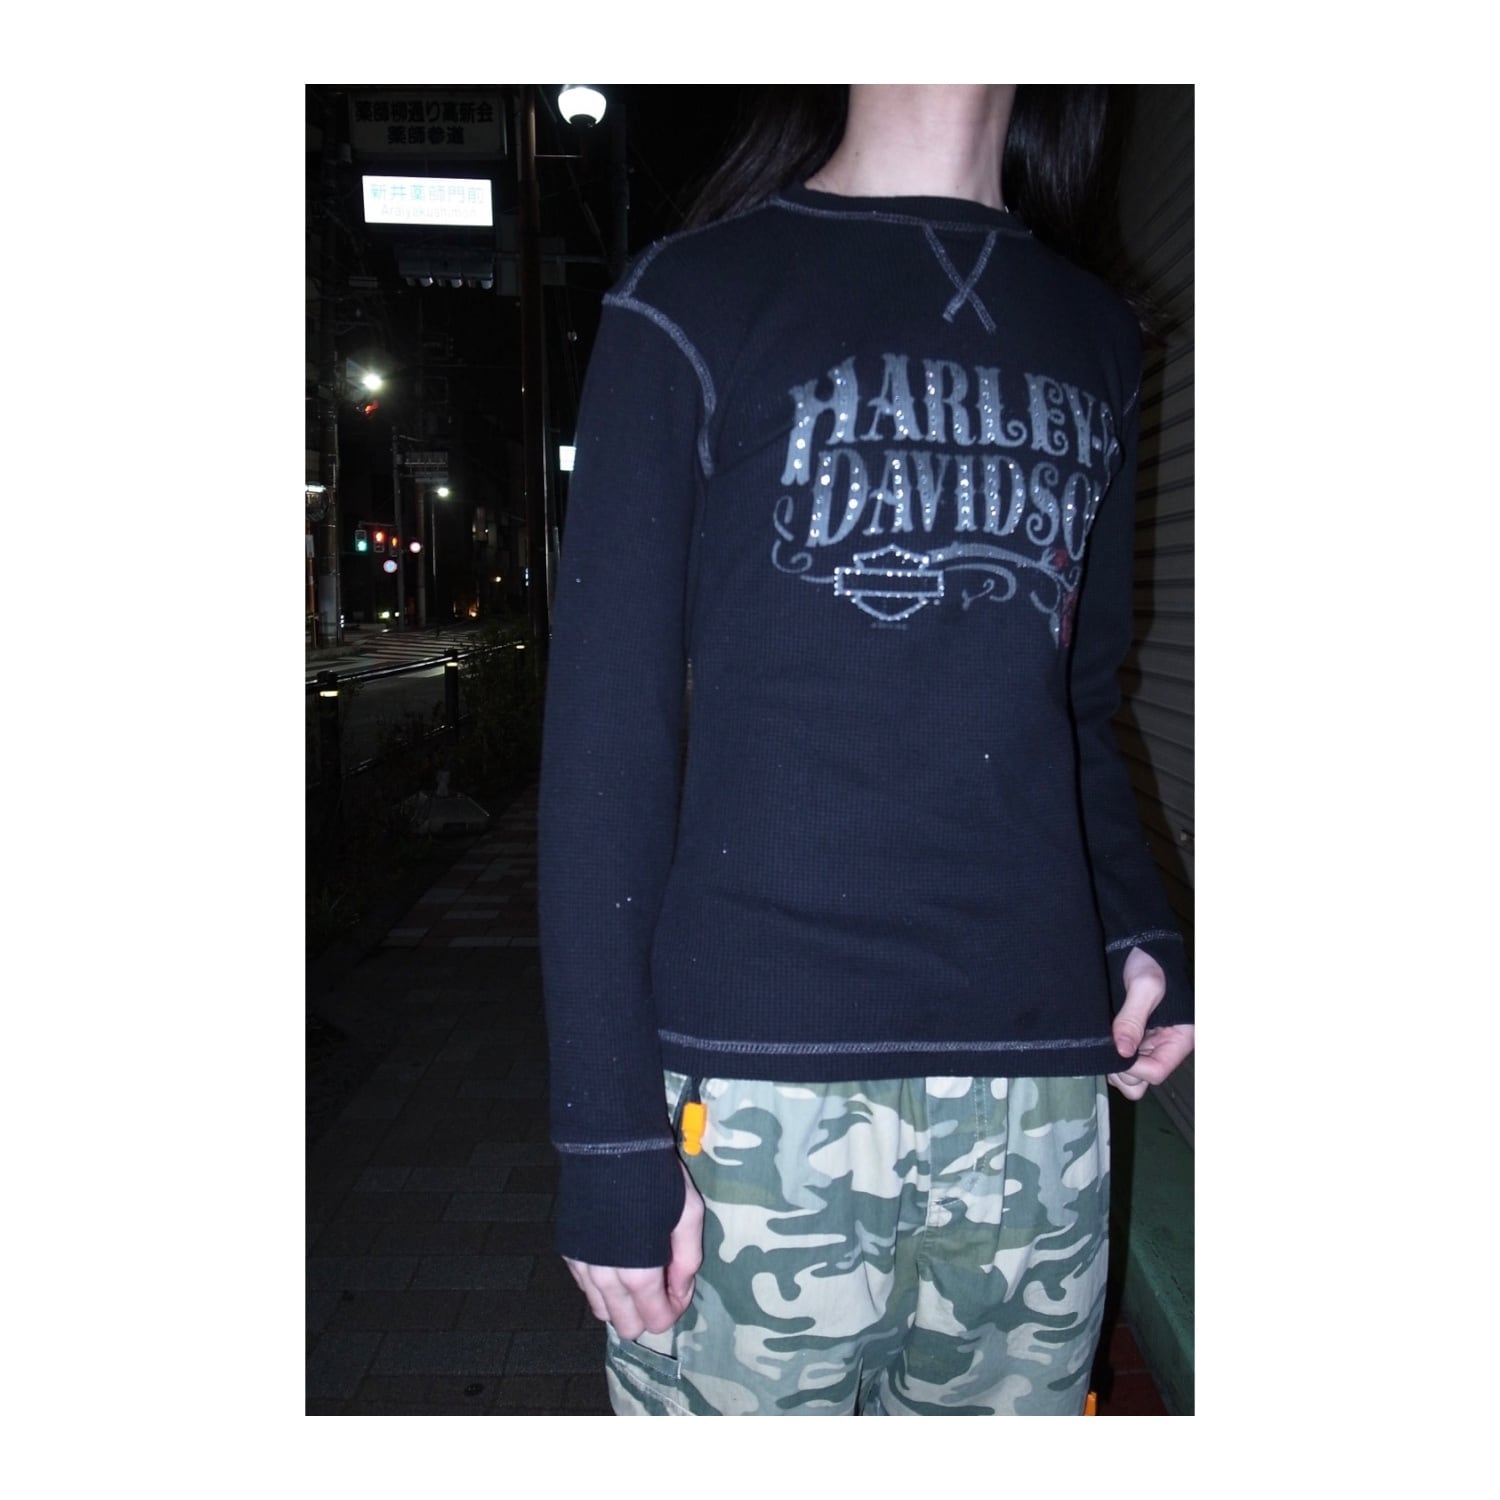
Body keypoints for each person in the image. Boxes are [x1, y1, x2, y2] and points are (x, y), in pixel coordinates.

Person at [537, 84, 1194, 1416]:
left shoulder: (1097, 333)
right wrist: (605, 1139)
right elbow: (606, 744)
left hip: (1040, 1103)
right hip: (756, 1109)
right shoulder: (692, 301)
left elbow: (1075, 696)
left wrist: (1140, 927)